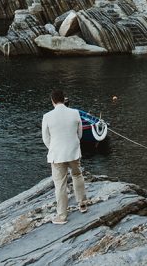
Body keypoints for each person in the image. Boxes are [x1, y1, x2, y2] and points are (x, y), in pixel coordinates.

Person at [41, 89, 89, 225]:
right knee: (77, 175)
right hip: (73, 152)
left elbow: (46, 138)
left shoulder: (47, 116)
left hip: (57, 154)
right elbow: (79, 134)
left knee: (60, 184)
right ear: (64, 99)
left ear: (52, 101)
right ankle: (82, 204)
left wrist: (54, 148)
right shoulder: (75, 113)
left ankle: (62, 216)